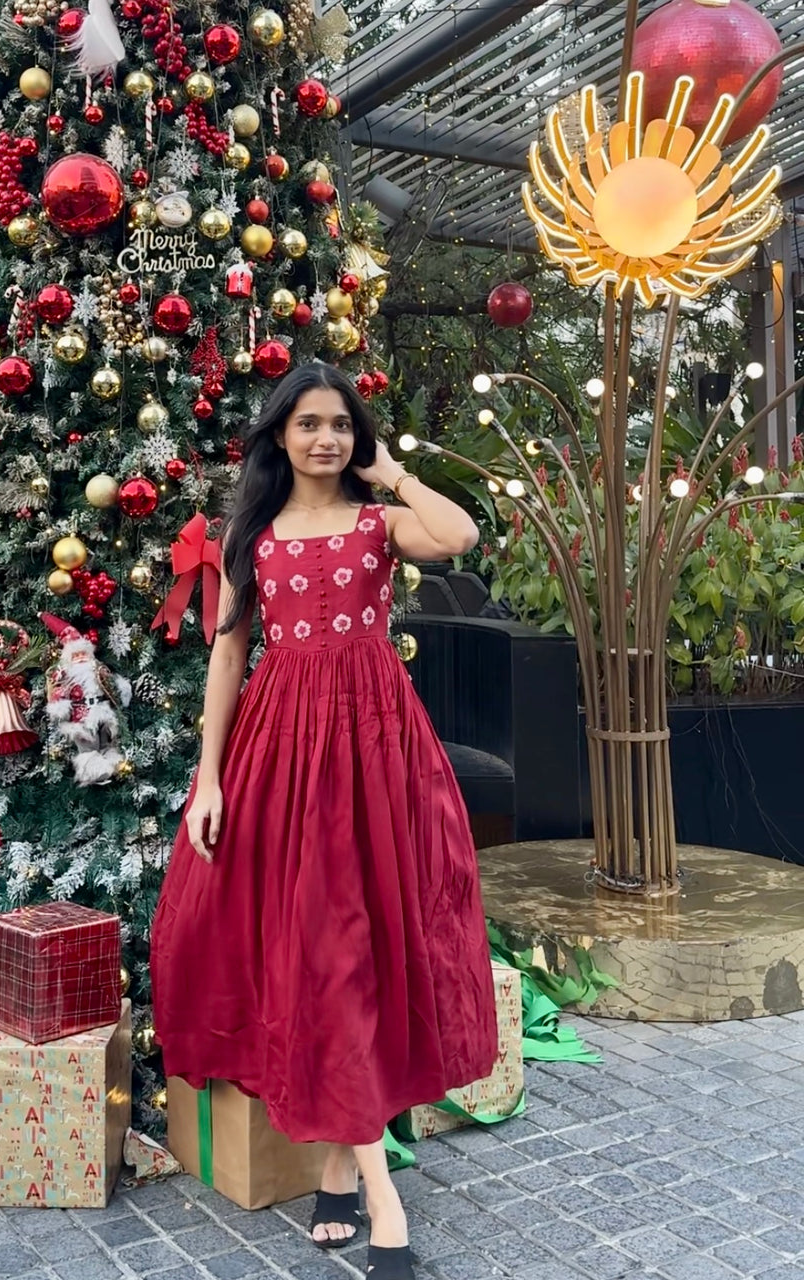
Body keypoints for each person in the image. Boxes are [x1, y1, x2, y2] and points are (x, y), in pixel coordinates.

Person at [151, 363, 497, 1280]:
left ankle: (343, 1178)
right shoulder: (253, 534)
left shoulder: (378, 519)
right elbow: (227, 659)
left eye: (340, 425)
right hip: (281, 750)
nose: (324, 440)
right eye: (307, 424)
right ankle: (382, 1203)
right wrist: (211, 778)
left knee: (361, 947)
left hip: (375, 747)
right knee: (324, 950)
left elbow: (456, 535)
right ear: (279, 435)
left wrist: (392, 474)